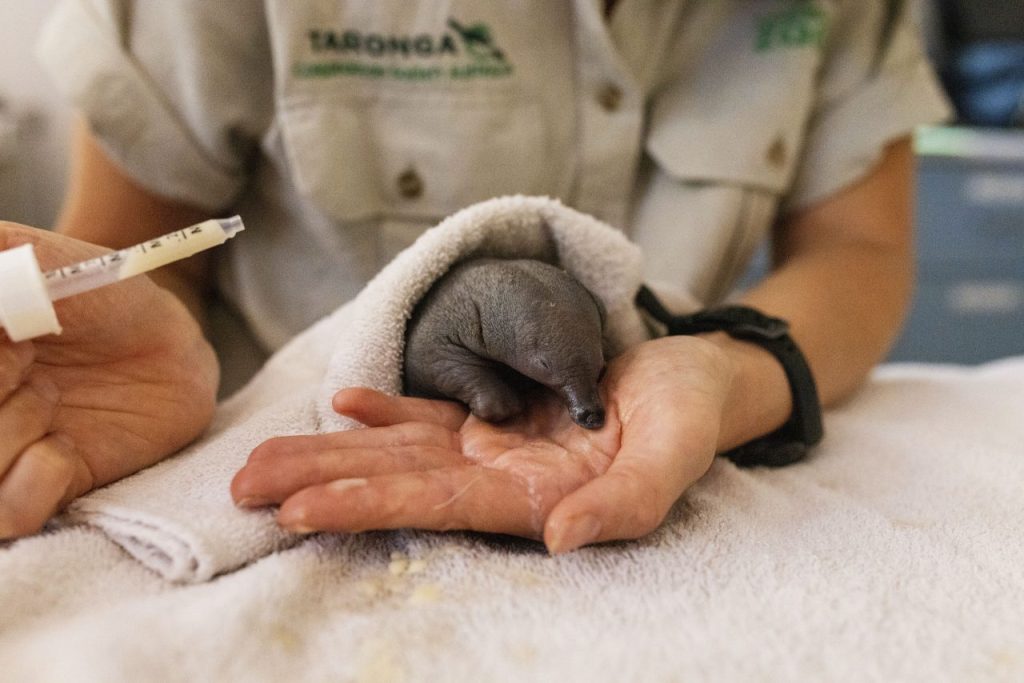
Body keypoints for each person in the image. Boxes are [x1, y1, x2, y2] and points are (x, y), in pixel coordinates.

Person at [0, 1, 949, 551]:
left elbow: (858, 249)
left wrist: (726, 375)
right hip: (281, 465)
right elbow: (128, 259)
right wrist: (149, 369)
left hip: (646, 467)